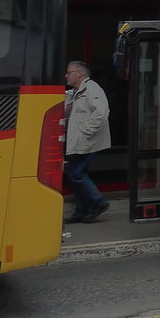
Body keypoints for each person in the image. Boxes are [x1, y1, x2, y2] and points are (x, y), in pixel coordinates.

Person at [64, 61, 111, 224]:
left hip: (85, 141)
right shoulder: (75, 92)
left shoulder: (92, 88)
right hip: (76, 141)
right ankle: (81, 211)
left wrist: (86, 131)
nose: (66, 75)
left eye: (69, 72)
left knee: (76, 174)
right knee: (75, 175)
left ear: (79, 74)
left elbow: (101, 113)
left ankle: (98, 203)